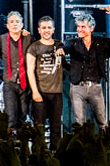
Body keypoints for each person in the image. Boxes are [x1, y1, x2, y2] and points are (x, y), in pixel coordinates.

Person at [59, 13, 110, 128]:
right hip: (77, 87)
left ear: (91, 28)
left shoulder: (99, 42)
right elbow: (65, 47)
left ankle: (105, 143)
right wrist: (62, 50)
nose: (79, 29)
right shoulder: (73, 43)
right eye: (78, 27)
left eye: (83, 27)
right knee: (79, 122)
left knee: (102, 120)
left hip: (95, 87)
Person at [25, 16, 64, 148]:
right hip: (40, 93)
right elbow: (30, 71)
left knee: (56, 127)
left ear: (53, 29)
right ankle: (38, 153)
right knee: (39, 127)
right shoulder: (33, 47)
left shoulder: (59, 45)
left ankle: (56, 154)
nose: (46, 30)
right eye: (43, 28)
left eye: (49, 27)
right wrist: (35, 92)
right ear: (39, 30)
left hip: (57, 93)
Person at [0, 11, 33, 133]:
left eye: (17, 22)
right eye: (11, 22)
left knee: (23, 112)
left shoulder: (28, 38)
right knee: (11, 114)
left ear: (22, 25)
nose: (14, 24)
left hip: (25, 81)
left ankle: (22, 143)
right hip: (9, 81)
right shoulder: (2, 39)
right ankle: (10, 142)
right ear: (7, 25)